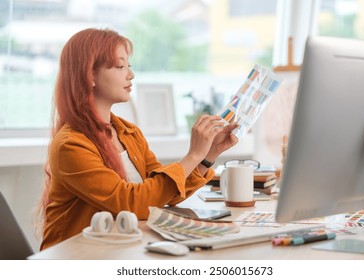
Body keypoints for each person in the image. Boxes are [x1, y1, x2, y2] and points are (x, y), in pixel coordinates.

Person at [38, 28, 238, 250]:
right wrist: (193, 154)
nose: (130, 75)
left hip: (117, 251)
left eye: (129, 66)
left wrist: (207, 156)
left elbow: (162, 193)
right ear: (90, 75)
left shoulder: (129, 132)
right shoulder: (70, 145)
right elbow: (131, 203)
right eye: (120, 66)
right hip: (75, 258)